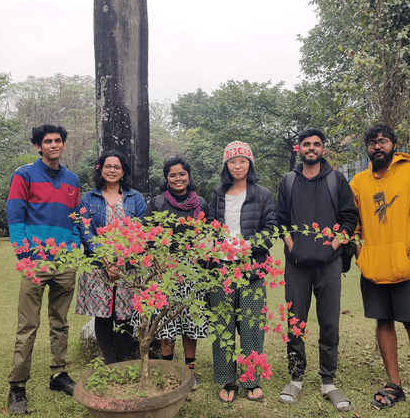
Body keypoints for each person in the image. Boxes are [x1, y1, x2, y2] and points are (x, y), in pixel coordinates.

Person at [349, 125, 410, 418]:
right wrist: (362, 257)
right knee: (383, 322)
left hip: (407, 268)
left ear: (394, 145)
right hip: (374, 269)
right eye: (372, 143)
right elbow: (355, 225)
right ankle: (394, 385)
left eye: (382, 142)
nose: (377, 147)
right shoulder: (358, 182)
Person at [276, 128, 358, 410]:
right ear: (299, 148)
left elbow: (350, 219)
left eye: (317, 144)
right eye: (306, 144)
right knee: (295, 322)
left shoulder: (336, 180)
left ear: (323, 149)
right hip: (296, 265)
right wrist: (291, 247)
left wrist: (332, 247)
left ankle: (328, 381)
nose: (311, 148)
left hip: (329, 265)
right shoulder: (288, 181)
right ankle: (296, 378)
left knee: (329, 322)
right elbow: (281, 220)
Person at [5, 124, 80, 415]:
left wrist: (73, 248)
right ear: (38, 146)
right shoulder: (24, 174)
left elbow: (75, 219)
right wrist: (24, 255)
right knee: (28, 325)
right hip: (35, 262)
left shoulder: (72, 179)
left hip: (64, 262)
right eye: (47, 141)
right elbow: (15, 216)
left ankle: (58, 374)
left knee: (60, 322)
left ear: (63, 144)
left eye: (58, 141)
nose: (53, 145)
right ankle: (17, 386)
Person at [207, 141, 277, 403]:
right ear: (226, 165)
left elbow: (271, 229)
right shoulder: (217, 194)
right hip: (221, 267)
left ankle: (251, 379)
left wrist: (247, 243)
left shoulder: (263, 195)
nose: (238, 165)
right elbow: (211, 227)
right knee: (223, 323)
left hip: (251, 268)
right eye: (232, 161)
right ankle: (227, 379)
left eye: (243, 161)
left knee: (251, 324)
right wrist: (217, 245)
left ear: (250, 164)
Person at [75, 150, 147, 365]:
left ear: (123, 171)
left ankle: (122, 360)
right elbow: (85, 230)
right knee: (103, 313)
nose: (112, 170)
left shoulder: (135, 198)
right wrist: (106, 260)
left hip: (128, 266)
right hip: (99, 265)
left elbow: (141, 230)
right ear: (100, 169)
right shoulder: (89, 198)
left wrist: (121, 261)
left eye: (117, 167)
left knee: (125, 313)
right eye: (108, 166)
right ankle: (110, 362)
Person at [143, 156, 209, 389]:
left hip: (192, 271)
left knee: (190, 319)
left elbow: (208, 233)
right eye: (173, 175)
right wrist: (160, 261)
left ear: (188, 175)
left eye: (182, 174)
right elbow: (147, 236)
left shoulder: (199, 202)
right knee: (167, 321)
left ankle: (189, 371)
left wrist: (200, 251)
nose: (178, 178)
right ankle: (170, 369)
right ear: (166, 178)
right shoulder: (157, 203)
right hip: (164, 271)